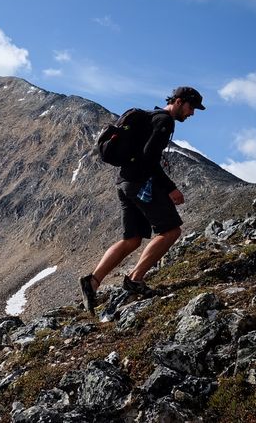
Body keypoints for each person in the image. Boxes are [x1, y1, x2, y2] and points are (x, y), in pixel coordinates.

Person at [80, 86, 205, 314]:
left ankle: (93, 281)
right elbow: (149, 159)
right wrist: (171, 188)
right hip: (140, 183)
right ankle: (135, 279)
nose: (192, 113)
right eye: (190, 107)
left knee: (133, 239)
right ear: (178, 101)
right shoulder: (164, 121)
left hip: (124, 183)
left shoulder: (149, 117)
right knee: (171, 231)